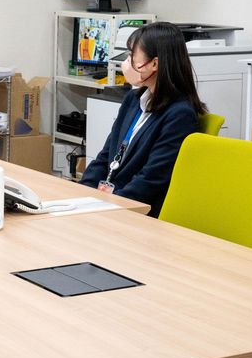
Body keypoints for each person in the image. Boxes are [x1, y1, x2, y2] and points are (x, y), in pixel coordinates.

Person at [80, 22, 206, 217]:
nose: (127, 62)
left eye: (132, 55)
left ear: (154, 64)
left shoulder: (180, 115)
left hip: (137, 212)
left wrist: (109, 207)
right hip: (110, 204)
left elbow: (151, 179)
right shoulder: (133, 99)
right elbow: (106, 155)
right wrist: (82, 192)